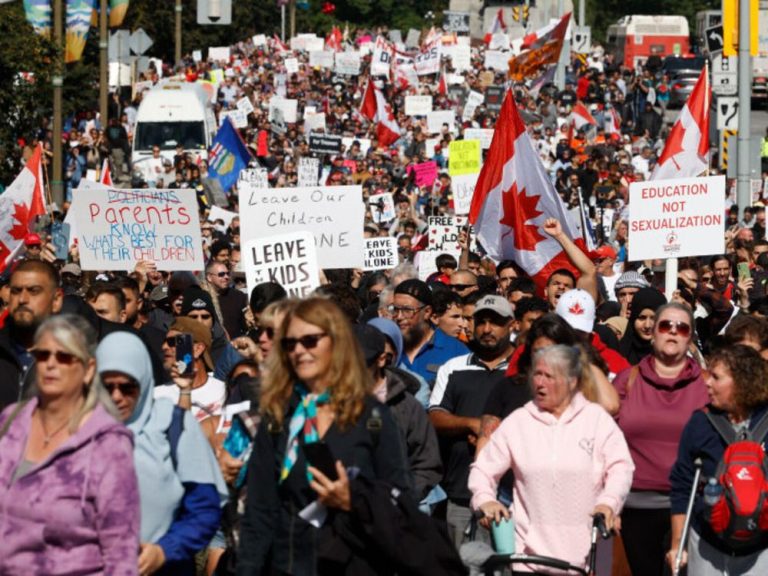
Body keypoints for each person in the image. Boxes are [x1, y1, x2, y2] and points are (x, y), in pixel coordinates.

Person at [237, 298, 412, 575]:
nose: (299, 350)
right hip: (289, 565)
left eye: (310, 340)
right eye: (289, 343)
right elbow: (260, 509)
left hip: (355, 564)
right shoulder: (280, 415)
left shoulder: (372, 415)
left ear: (336, 342)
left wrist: (352, 500)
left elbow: (402, 500)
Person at [469, 344, 634, 569]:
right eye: (537, 374)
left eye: (549, 376)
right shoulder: (519, 422)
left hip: (590, 556)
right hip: (528, 557)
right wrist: (484, 498)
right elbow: (483, 469)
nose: (540, 383)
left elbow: (621, 468)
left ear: (572, 381)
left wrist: (609, 503)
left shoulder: (596, 420)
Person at [0, 314, 140, 574]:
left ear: (88, 370)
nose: (51, 364)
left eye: (64, 357)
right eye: (43, 356)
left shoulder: (108, 444)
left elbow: (120, 552)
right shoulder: (11, 422)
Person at [97, 331, 227, 576]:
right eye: (107, 386)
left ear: (144, 382)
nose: (116, 396)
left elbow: (204, 509)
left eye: (128, 387)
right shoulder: (81, 431)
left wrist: (164, 550)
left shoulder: (173, 424)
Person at [613, 302, 709, 576]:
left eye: (682, 328)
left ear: (689, 337)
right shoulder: (626, 380)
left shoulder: (707, 384)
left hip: (691, 506)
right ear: (653, 333)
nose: (673, 332)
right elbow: (603, 441)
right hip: (633, 508)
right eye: (666, 325)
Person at [668, 345, 768, 574]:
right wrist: (677, 544)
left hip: (762, 544)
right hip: (707, 540)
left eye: (716, 377)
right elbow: (682, 486)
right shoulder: (700, 423)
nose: (707, 383)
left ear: (742, 381)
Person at [618, 287, 667, 365]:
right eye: (642, 318)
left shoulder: (672, 355)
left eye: (653, 318)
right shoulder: (621, 353)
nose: (647, 325)